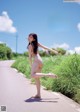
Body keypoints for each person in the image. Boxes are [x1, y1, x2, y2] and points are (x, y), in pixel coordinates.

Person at [27, 33, 58, 98]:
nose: (29, 37)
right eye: (29, 36)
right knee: (37, 78)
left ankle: (49, 74)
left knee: (32, 75)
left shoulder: (30, 46)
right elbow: (45, 47)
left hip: (36, 61)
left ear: (34, 39)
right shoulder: (36, 43)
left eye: (30, 37)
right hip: (40, 60)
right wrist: (53, 51)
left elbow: (29, 57)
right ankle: (38, 94)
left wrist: (31, 65)